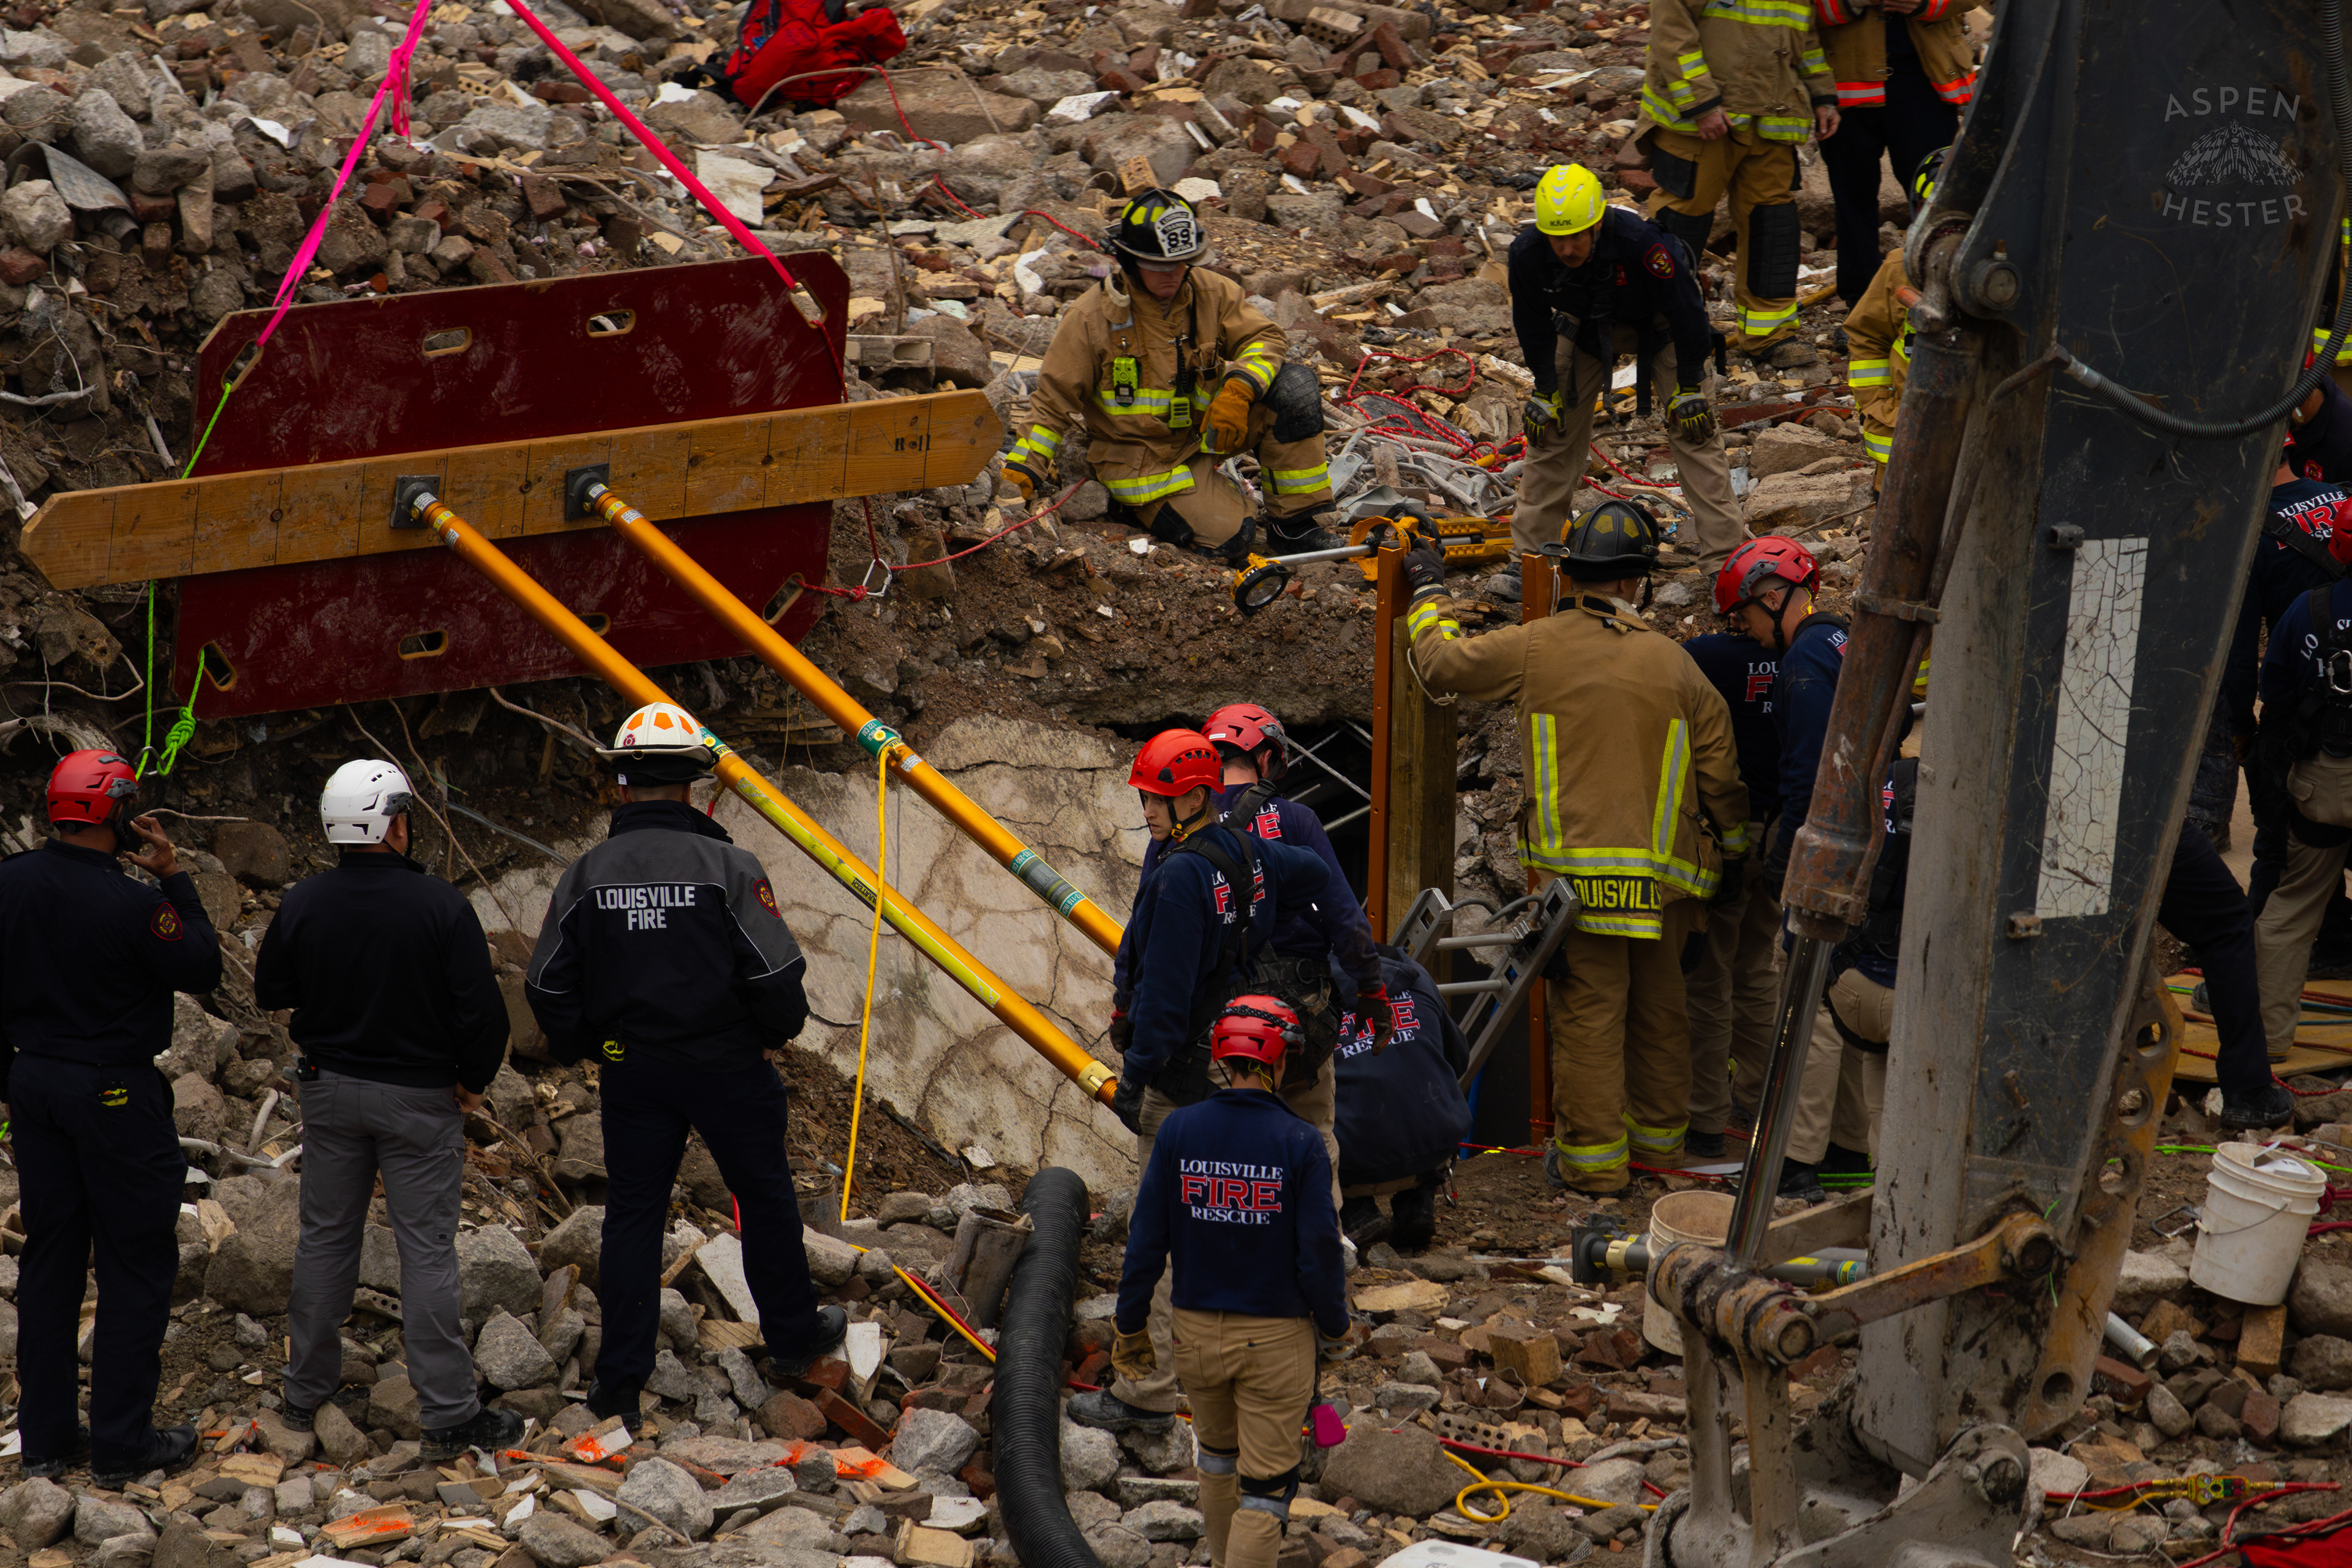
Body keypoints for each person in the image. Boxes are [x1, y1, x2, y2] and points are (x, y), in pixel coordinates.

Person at [1406, 501, 1751, 1192]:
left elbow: (1439, 663)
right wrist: (1734, 857)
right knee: (1662, 1016)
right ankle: (1660, 1159)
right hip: (1669, 886)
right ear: (1637, 583)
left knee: (1591, 1017)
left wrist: (1426, 589)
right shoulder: (1679, 666)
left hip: (1578, 887)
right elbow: (1723, 780)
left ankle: (1596, 1169)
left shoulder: (1537, 645)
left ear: (1576, 575)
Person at [524, 702, 845, 1416]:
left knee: (634, 1215)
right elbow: (775, 977)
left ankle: (620, 1385)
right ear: (694, 785)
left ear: (622, 784)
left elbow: (546, 981)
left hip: (633, 1070)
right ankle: (793, 1340)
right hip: (730, 1065)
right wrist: (773, 1033)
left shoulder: (586, 874)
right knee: (763, 1199)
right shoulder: (730, 865)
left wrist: (586, 1043)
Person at [1079, 729, 1385, 1434]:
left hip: (1183, 1074)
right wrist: (1358, 971)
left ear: (1193, 795)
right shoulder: (1244, 852)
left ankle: (1148, 1393)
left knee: (1158, 1238)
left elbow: (1164, 993)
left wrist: (1136, 1077)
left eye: (1156, 798)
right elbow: (1313, 875)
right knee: (1249, 1214)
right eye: (1146, 797)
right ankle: (1281, 1377)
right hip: (1232, 1061)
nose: (1147, 810)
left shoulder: (1184, 873)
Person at [257, 760, 522, 1460]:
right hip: (418, 1098)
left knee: (325, 1237)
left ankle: (304, 1388)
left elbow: (271, 987)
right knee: (425, 1249)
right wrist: (471, 1085)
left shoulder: (305, 902)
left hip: (330, 1088)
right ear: (395, 823)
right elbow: (484, 1018)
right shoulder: (440, 905)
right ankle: (448, 1411)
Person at [0, 750, 217, 1485]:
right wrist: (175, 878)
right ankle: (124, 1442)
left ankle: (47, 1440)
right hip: (113, 1093)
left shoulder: (11, 881)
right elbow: (199, 966)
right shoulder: (132, 903)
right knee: (134, 1261)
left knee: (51, 1257)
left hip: (34, 1084)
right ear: (114, 812)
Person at [1111, 995, 1349, 1568]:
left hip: (1195, 1336)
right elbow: (1319, 1253)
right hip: (1274, 1341)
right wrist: (1336, 1329)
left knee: (1217, 1460)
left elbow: (1146, 1240)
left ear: (1221, 1056)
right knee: (1266, 1493)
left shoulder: (1179, 1131)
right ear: (1282, 1060)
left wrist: (1130, 1323)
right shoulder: (1299, 1143)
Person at [1001, 188, 1339, 560]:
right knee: (1234, 541)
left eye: (1182, 264)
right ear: (1129, 261)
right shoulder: (1090, 319)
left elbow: (1265, 337)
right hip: (1142, 462)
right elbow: (1053, 402)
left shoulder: (1210, 293)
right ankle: (1133, 508)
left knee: (1293, 387)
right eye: (1161, 266)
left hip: (1204, 436)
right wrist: (1024, 469)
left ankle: (1292, 528)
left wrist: (1239, 390)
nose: (1174, 275)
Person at [1497, 164, 1747, 605]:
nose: (1568, 248)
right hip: (1585, 326)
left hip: (1663, 325)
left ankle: (1725, 562)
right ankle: (1531, 562)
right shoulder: (1527, 253)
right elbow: (1532, 324)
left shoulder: (1641, 243)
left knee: (1696, 434)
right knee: (1548, 435)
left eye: (1577, 236)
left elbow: (1689, 311)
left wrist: (1689, 386)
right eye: (1559, 238)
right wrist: (1545, 390)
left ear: (1596, 224)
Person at [1716, 537, 1867, 1200]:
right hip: (1868, 839)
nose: (1744, 631)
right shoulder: (1844, 642)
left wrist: (1786, 861)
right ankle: (1847, 1149)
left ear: (1774, 598)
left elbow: (1810, 768)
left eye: (1744, 616)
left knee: (1806, 998)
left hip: (1826, 842)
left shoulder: (1804, 658)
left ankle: (1796, 1159)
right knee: (1847, 989)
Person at [1635, 0, 1840, 368]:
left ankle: (1770, 336)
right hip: (1703, 123)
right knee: (1681, 224)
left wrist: (1823, 95)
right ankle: (1660, 332)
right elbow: (1672, 36)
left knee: (1772, 228)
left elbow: (1806, 41)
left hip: (1772, 122)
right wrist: (1702, 104)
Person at [2230, 463, 2352, 921]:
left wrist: (2244, 729)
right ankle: (2337, 935)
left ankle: (2253, 966)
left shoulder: (2247, 531)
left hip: (2301, 717)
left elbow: (2240, 654)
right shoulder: (2340, 500)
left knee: (2281, 845)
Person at [1678, 625, 1782, 1156]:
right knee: (1758, 967)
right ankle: (1765, 1103)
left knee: (1708, 978)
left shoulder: (1706, 655)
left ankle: (1706, 1121)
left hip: (1729, 839)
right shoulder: (1806, 650)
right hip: (1782, 836)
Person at [1811, 2, 1972, 312]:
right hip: (1847, 85)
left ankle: (1944, 297)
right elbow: (1800, 11)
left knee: (1938, 200)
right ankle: (1863, 306)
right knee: (1853, 200)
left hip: (1925, 83)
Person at [2251, 575, 2352, 1066]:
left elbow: (2276, 689)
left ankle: (2269, 1038)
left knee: (2293, 907)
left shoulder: (2309, 610)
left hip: (2323, 781)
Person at [1331, 945, 1467, 1253]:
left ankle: (1353, 1212)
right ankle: (1417, 1204)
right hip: (1436, 1149)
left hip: (1353, 1164)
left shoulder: (1302, 991)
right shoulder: (1416, 974)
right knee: (1423, 1092)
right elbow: (1458, 1058)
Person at [1843, 148, 1947, 469]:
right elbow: (1867, 338)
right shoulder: (1900, 268)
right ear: (1919, 210)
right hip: (1905, 443)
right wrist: (1882, 408)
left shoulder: (2016, 274)